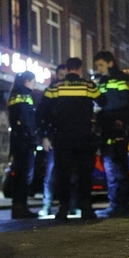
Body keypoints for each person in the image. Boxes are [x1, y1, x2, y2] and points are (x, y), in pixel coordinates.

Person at [37, 57, 104, 220]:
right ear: (80, 69)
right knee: (84, 174)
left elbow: (41, 112)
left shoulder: (55, 88)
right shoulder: (89, 86)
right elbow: (104, 101)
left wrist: (45, 134)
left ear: (67, 69)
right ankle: (86, 208)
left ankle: (63, 209)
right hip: (84, 137)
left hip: (62, 137)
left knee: (63, 174)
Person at [92, 50, 129, 217]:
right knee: (113, 165)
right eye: (97, 66)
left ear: (111, 63)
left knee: (115, 165)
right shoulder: (104, 80)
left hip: (116, 126)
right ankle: (118, 203)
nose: (99, 69)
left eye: (101, 65)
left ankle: (119, 204)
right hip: (110, 126)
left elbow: (123, 102)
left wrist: (117, 120)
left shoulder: (121, 80)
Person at [36, 63, 67, 217]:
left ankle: (69, 205)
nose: (62, 80)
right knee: (51, 173)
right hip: (54, 137)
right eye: (60, 76)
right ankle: (47, 205)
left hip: (67, 137)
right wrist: (45, 137)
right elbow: (42, 115)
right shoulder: (51, 91)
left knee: (68, 174)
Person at [7, 71, 39, 219]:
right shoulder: (24, 94)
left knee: (19, 174)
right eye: (33, 81)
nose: (34, 84)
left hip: (17, 139)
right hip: (24, 141)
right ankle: (21, 207)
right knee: (24, 175)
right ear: (27, 81)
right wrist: (32, 136)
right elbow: (26, 118)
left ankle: (18, 206)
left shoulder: (14, 94)